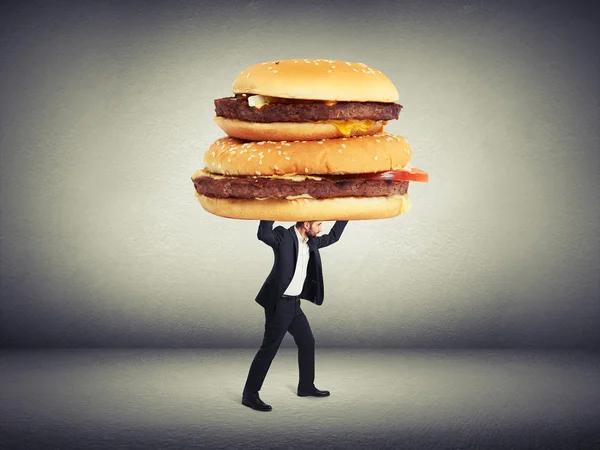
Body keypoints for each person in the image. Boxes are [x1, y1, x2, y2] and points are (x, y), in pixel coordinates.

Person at [242, 219, 349, 411]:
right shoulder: (283, 235)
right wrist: (269, 212)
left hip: (294, 305)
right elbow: (263, 235)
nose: (321, 228)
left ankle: (306, 386)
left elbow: (333, 237)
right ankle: (249, 395)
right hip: (279, 304)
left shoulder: (312, 241)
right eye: (318, 224)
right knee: (269, 349)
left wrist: (346, 215)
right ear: (306, 225)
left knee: (307, 342)